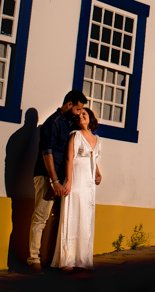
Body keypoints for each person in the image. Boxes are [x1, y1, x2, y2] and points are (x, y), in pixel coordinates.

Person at [28, 90, 86, 271]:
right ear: (69, 105)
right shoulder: (51, 123)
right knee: (41, 218)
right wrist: (54, 181)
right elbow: (47, 153)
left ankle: (49, 259)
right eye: (78, 109)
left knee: (57, 219)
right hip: (47, 177)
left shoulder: (70, 124)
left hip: (61, 181)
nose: (79, 113)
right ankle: (33, 259)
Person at [52, 106, 102, 271]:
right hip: (76, 180)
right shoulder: (75, 135)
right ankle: (67, 260)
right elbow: (69, 158)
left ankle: (82, 259)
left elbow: (95, 159)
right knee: (72, 216)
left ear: (90, 118)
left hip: (89, 184)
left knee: (85, 219)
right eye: (79, 115)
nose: (81, 116)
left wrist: (98, 173)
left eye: (84, 114)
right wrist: (69, 181)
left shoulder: (98, 139)